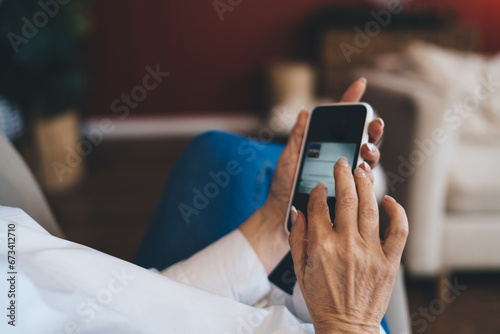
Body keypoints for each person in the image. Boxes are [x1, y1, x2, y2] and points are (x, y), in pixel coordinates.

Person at [0, 79, 407, 333]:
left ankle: (289, 214)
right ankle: (350, 176)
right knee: (235, 158)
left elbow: (123, 310)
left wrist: (271, 222)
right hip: (320, 322)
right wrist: (349, 323)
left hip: (148, 302)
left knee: (215, 151)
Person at [134, 78, 409, 333]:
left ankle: (273, 229)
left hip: (136, 306)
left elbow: (136, 312)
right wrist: (350, 323)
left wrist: (275, 217)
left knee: (213, 148)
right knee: (229, 157)